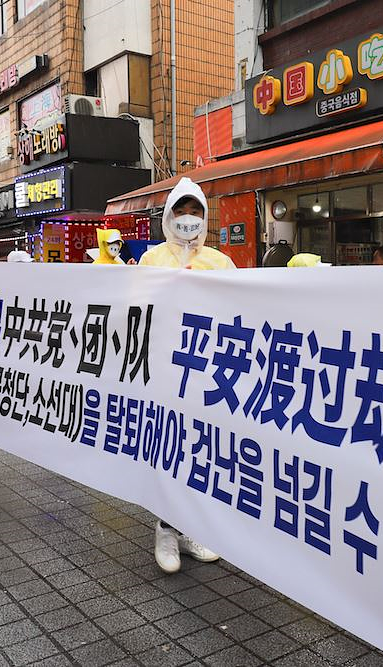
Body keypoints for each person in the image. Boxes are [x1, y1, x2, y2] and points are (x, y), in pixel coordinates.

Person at [139, 177, 229, 573]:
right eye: (181, 210)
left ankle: (191, 528)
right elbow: (134, 308)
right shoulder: (152, 258)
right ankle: (165, 529)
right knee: (168, 446)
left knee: (199, 449)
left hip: (206, 371)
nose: (188, 218)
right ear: (168, 216)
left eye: (195, 211)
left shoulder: (219, 262)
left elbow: (240, 308)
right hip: (162, 370)